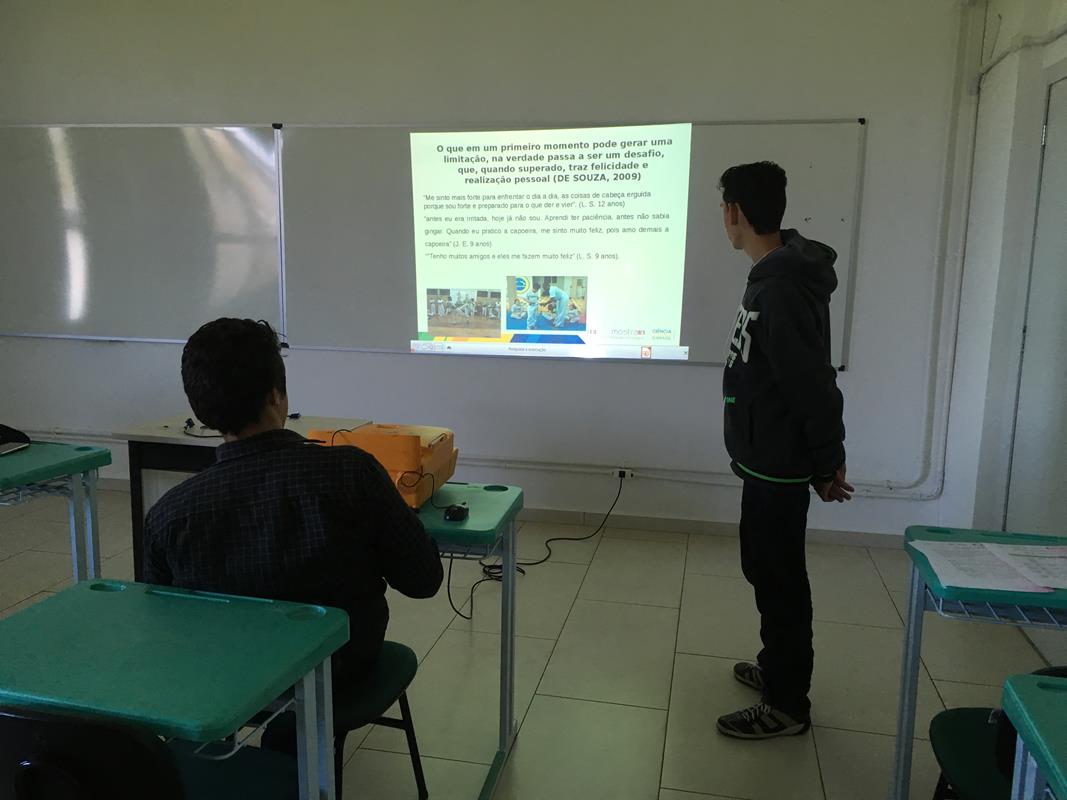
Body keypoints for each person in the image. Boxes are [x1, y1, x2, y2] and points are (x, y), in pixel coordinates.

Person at [144, 318, 443, 693]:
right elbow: (423, 580)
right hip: (340, 676)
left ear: (202, 410)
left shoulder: (168, 515)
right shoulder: (351, 473)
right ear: (275, 395)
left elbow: (162, 625)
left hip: (227, 689)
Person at [715, 161, 852, 740]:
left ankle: (788, 704)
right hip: (764, 459)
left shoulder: (781, 288)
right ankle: (777, 670)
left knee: (780, 581)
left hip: (779, 464)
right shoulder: (774, 274)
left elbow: (812, 384)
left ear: (734, 212)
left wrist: (825, 460)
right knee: (763, 568)